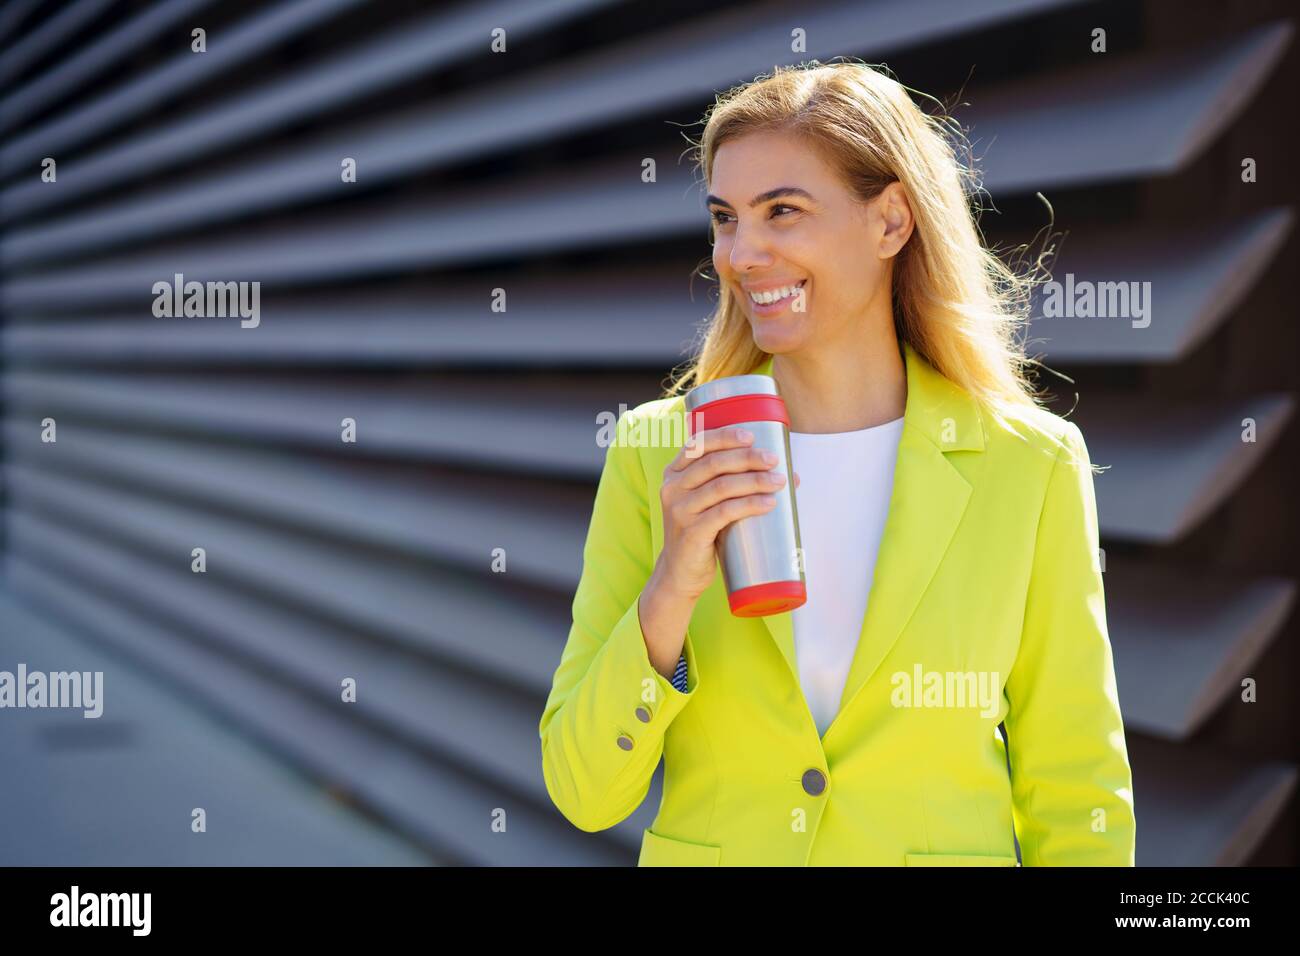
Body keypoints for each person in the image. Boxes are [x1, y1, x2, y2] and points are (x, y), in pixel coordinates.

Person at [538, 60, 1136, 866]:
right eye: (725, 218)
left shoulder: (1029, 465)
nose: (742, 254)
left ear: (890, 222)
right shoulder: (658, 452)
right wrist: (670, 589)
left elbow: (1077, 789)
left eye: (782, 212)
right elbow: (583, 792)